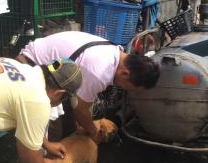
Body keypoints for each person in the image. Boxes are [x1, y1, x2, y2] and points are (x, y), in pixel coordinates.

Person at [16, 31, 160, 146]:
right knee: (53, 132)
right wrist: (93, 131)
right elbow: (80, 108)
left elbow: (80, 106)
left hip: (54, 75)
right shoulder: (100, 72)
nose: (125, 90)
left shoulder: (114, 51)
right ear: (125, 73)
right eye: (130, 88)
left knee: (70, 127)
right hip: (29, 69)